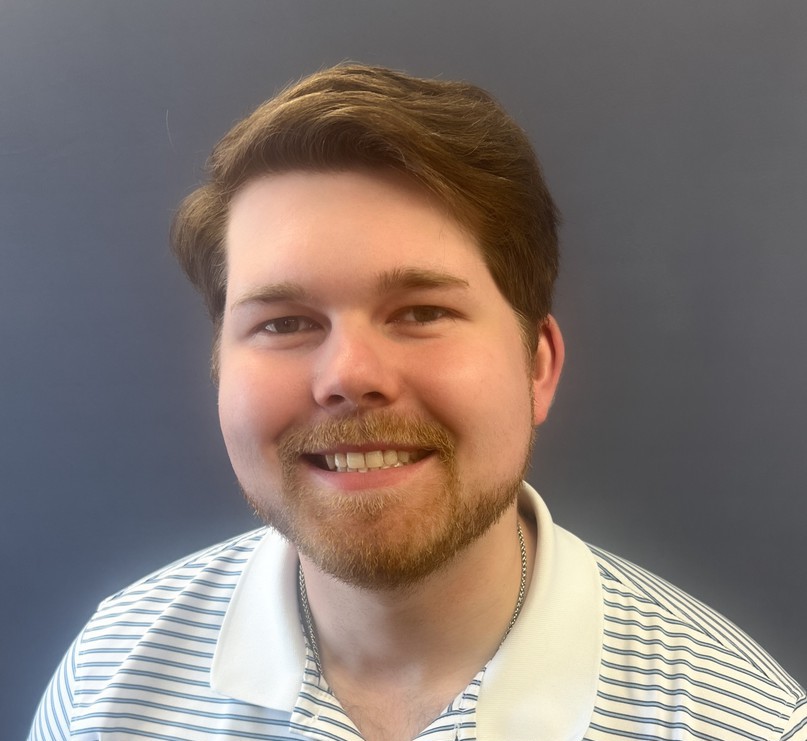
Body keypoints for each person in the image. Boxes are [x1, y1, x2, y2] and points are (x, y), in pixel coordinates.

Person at [29, 63, 805, 741]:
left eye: (422, 311)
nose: (348, 374)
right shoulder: (107, 680)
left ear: (537, 367)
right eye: (284, 322)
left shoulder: (748, 725)